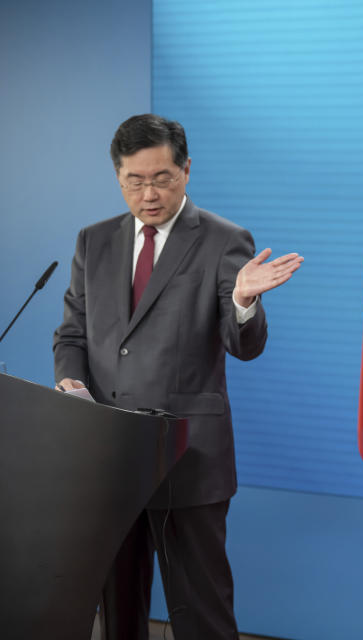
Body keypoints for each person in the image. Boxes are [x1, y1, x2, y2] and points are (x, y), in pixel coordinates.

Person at [53, 114, 303, 640]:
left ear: (186, 170)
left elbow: (246, 346)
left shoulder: (223, 240)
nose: (148, 194)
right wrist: (70, 383)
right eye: (134, 181)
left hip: (188, 456)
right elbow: (71, 335)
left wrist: (242, 299)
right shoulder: (93, 241)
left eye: (162, 178)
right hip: (111, 457)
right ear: (118, 178)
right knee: (118, 610)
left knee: (202, 610)